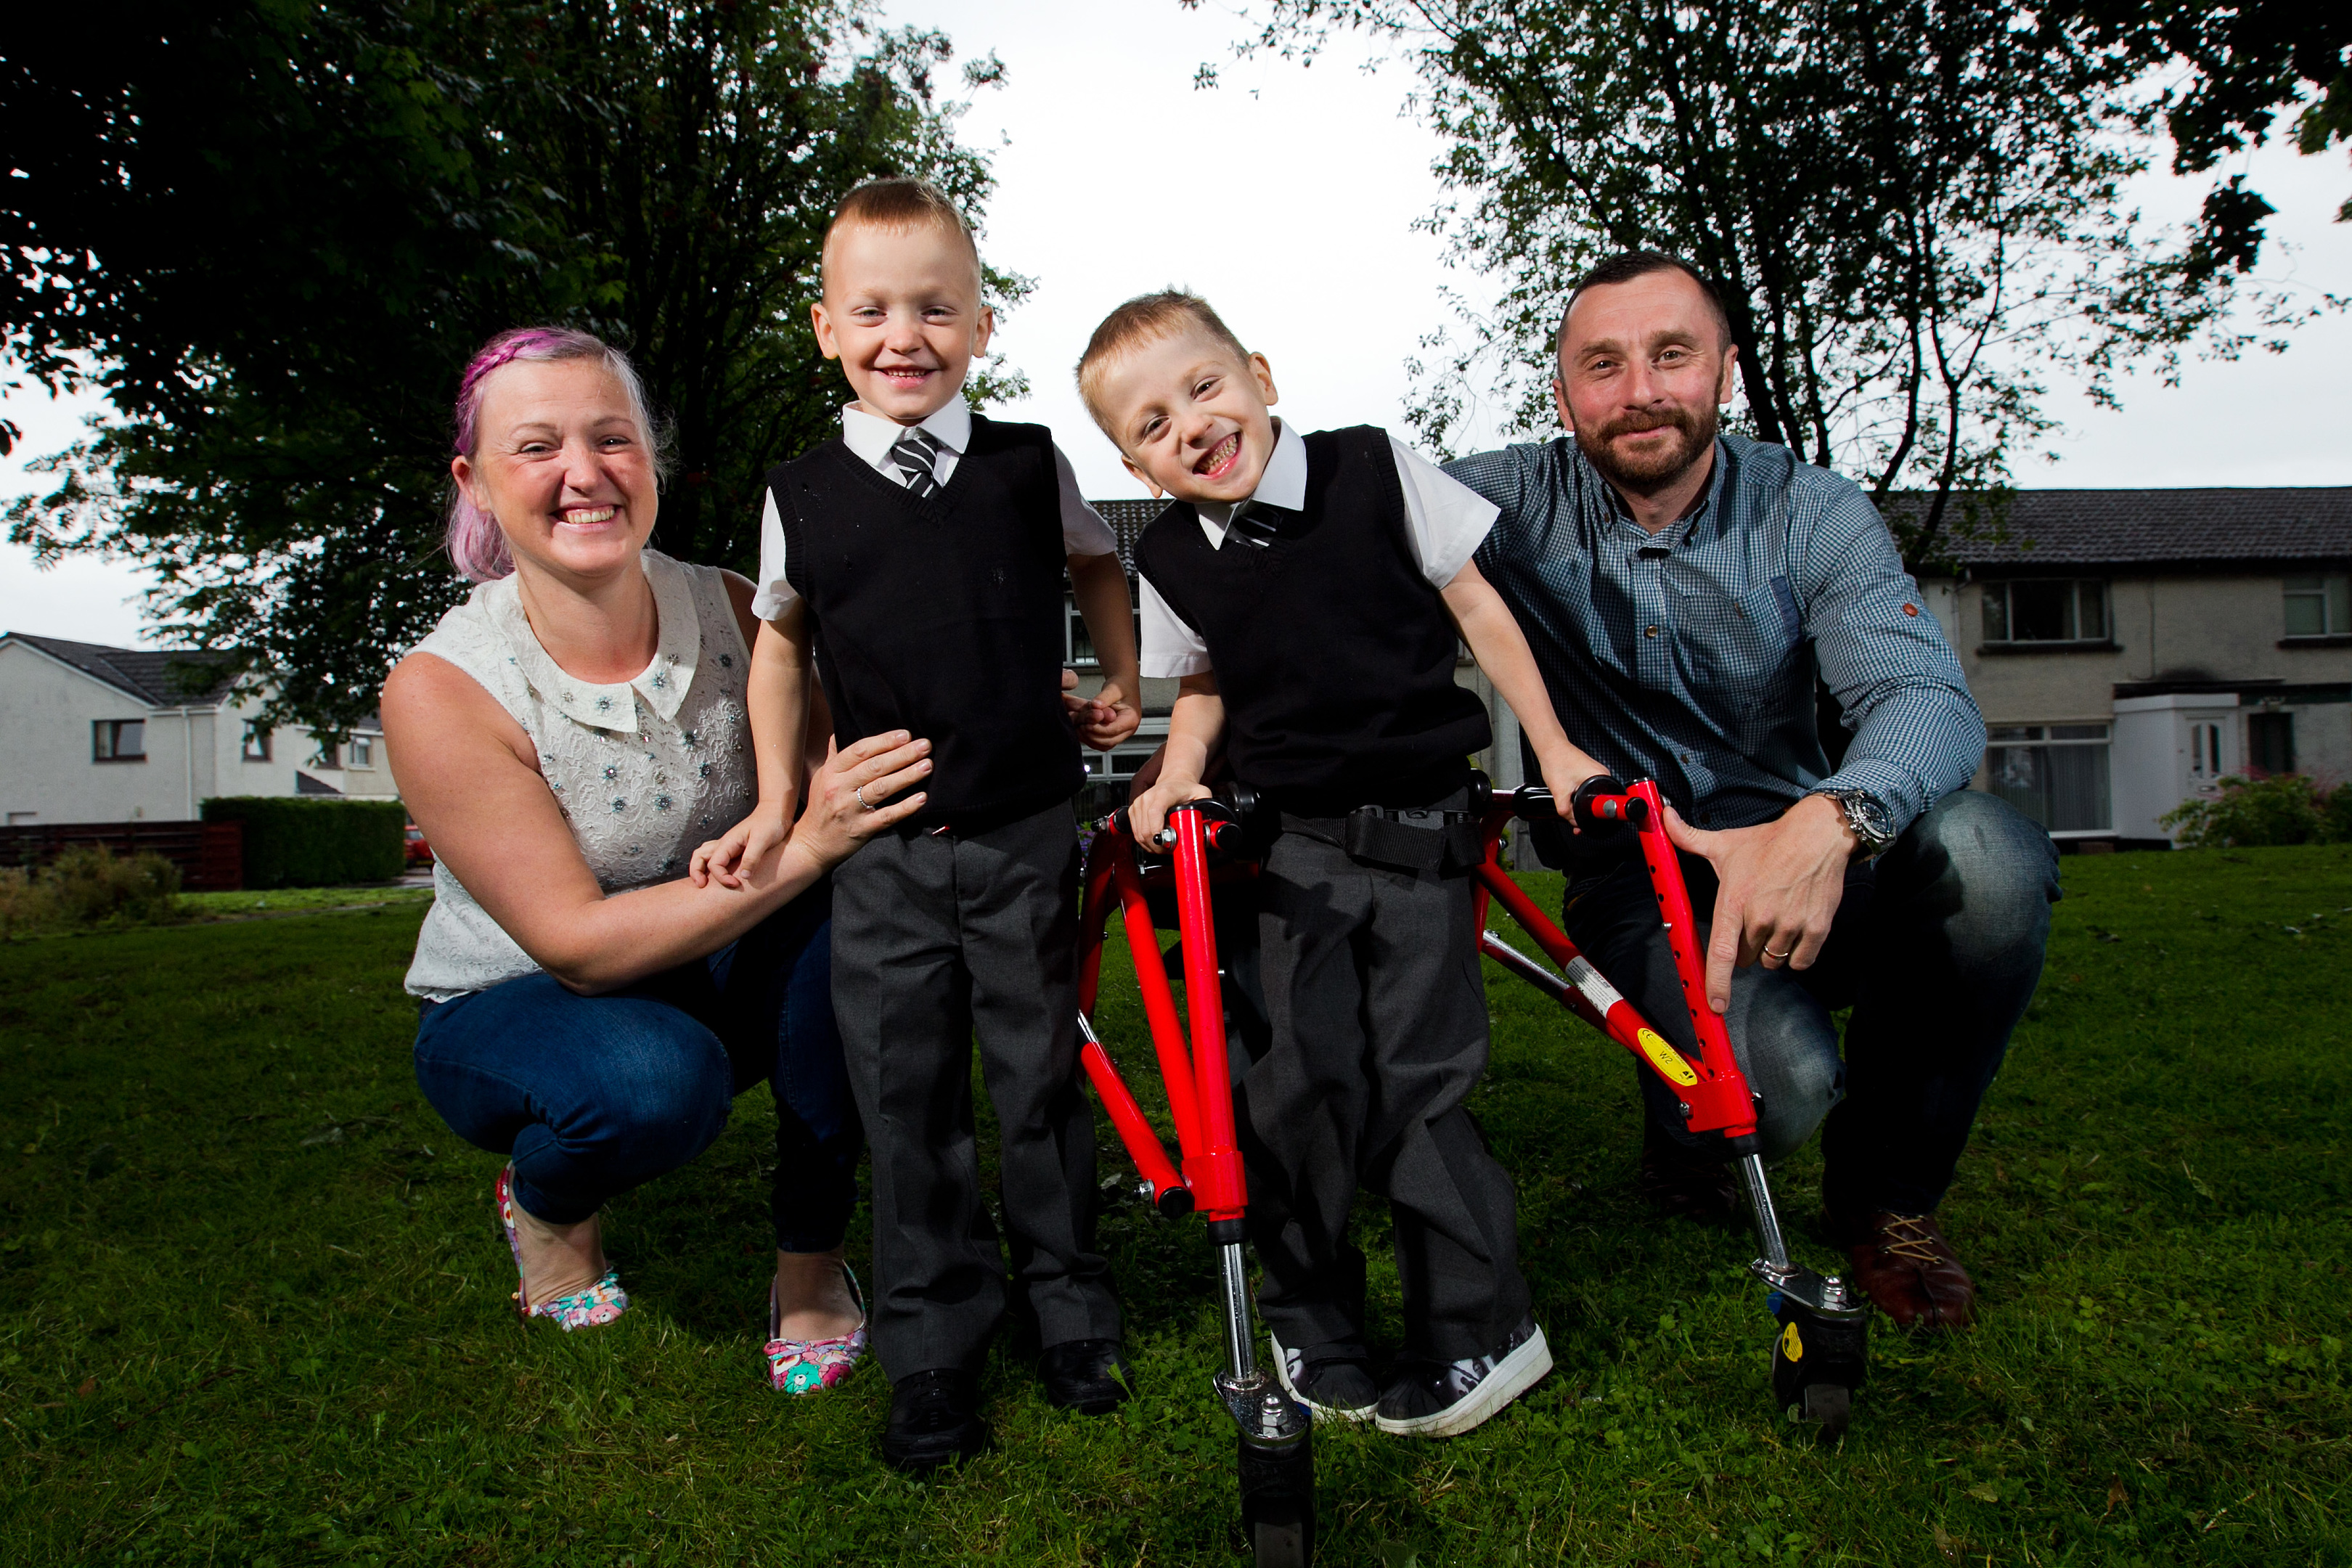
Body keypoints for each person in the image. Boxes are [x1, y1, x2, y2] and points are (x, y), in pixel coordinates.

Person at [1445, 251, 2060, 1329]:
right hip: (1642, 881)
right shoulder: (1496, 502)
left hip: (1805, 840)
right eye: (1603, 365)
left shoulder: (1812, 511)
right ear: (1563, 394)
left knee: (1992, 861)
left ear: (1724, 371)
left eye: (1671, 355)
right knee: (1780, 1089)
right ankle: (1694, 1116)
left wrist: (1833, 822)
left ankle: (1890, 1203)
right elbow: (1336, 509)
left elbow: (1928, 696)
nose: (1639, 390)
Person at [1079, 290, 1611, 1439]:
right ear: (1135, 462)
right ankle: (1314, 1319)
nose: (1193, 428)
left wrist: (1558, 750)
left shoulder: (1373, 468)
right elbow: (1206, 684)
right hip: (1292, 853)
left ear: (1260, 374)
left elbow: (1477, 606)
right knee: (1292, 1091)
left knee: (1422, 1083)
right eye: (1154, 426)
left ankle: (1483, 1331)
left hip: (1422, 834)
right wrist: (1175, 776)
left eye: (1205, 389)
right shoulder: (1168, 553)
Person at [385, 326, 934, 1397]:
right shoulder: (442, 688)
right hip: (518, 997)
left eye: (612, 439)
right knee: (653, 1084)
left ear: (651, 458)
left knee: (848, 928)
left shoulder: (734, 604)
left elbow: (839, 768)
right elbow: (578, 947)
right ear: (477, 483)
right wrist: (811, 842)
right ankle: (546, 1207)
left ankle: (811, 1265)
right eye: (537, 448)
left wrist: (1015, 704)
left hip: (712, 951)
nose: (583, 475)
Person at [692, 179, 1142, 1474]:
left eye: (936, 309)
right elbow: (779, 648)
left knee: (1039, 1082)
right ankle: (933, 1343)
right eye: (875, 311)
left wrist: (1118, 682)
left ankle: (1070, 1311)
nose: (907, 336)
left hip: (1019, 834)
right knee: (908, 1100)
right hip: (882, 855)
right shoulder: (804, 491)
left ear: (981, 325)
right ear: (827, 326)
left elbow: (1103, 561)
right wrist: (783, 799)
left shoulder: (1024, 463)